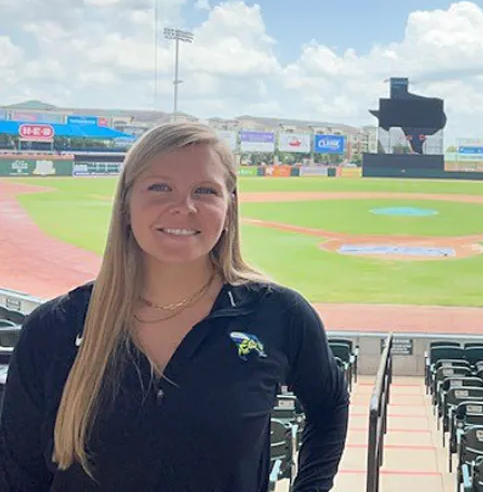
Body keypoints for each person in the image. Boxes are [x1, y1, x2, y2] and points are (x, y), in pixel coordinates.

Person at [0, 122, 350, 492]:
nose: (184, 207)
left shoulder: (279, 315)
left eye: (205, 190)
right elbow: (17, 474)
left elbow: (330, 404)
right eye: (160, 187)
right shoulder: (54, 328)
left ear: (229, 208)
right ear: (126, 205)